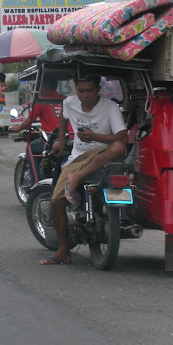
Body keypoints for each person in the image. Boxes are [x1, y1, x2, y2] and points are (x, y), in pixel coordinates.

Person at [39, 74, 127, 265]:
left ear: (98, 90)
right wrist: (61, 140)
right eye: (81, 91)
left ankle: (77, 176)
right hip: (78, 156)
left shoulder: (109, 107)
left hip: (103, 153)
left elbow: (122, 137)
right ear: (76, 90)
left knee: (119, 147)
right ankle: (64, 251)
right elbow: (63, 117)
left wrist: (96, 137)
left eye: (89, 91)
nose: (85, 95)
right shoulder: (69, 102)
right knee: (56, 202)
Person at [11, 75, 65, 184]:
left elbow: (29, 121)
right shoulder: (64, 99)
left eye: (38, 86)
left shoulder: (42, 101)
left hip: (53, 140)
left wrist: (18, 128)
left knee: (31, 147)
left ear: (43, 86)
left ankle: (34, 181)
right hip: (69, 138)